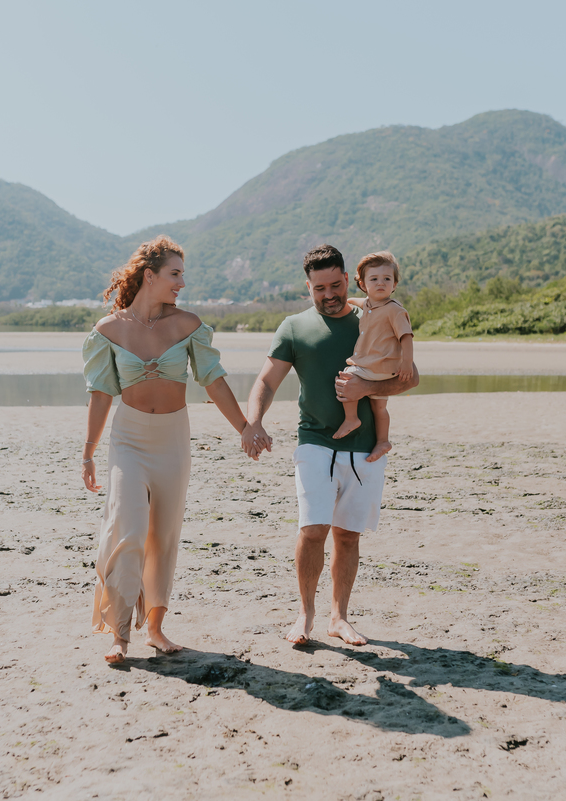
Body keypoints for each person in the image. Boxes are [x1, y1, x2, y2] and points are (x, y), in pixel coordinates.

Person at [240, 244, 419, 646]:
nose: (329, 294)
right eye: (319, 288)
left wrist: (365, 388)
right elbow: (266, 380)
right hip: (314, 442)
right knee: (313, 529)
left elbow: (411, 378)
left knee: (348, 535)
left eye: (335, 285)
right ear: (308, 287)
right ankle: (305, 614)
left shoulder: (373, 315)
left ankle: (339, 618)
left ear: (348, 280)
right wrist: (254, 421)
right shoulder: (294, 327)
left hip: (365, 447)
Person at [82, 235, 249, 664]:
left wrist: (245, 428)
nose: (181, 283)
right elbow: (101, 394)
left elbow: (214, 381)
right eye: (175, 274)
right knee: (128, 529)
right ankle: (120, 633)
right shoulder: (109, 329)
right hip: (128, 439)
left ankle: (155, 629)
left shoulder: (188, 325)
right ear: (149, 276)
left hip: (172, 439)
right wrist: (88, 452)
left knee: (164, 535)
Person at [333, 251, 415, 461]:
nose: (381, 283)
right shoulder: (370, 304)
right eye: (374, 279)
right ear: (363, 284)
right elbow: (361, 302)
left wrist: (407, 363)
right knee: (379, 407)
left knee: (347, 377)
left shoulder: (394, 310)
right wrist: (347, 300)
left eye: (387, 279)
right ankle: (383, 441)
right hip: (381, 369)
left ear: (394, 284)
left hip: (376, 365)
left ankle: (351, 418)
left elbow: (406, 336)